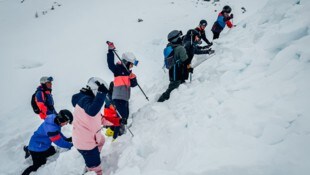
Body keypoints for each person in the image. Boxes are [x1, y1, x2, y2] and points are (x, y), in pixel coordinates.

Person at [72, 77, 109, 175]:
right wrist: (101, 94)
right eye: (100, 93)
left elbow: (100, 118)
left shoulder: (90, 101)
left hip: (89, 138)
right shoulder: (85, 100)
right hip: (85, 143)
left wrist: (118, 121)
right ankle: (93, 168)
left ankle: (92, 160)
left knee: (102, 140)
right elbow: (92, 111)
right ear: (96, 90)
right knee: (97, 169)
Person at [22, 110, 73, 175]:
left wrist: (66, 139)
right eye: (66, 122)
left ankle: (29, 149)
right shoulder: (51, 129)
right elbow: (59, 142)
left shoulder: (54, 119)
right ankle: (29, 152)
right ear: (62, 120)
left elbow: (58, 133)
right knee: (39, 165)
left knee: (53, 151)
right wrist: (71, 145)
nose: (66, 124)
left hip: (42, 143)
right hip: (37, 148)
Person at [107, 42, 138, 140]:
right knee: (121, 118)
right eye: (131, 64)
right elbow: (110, 64)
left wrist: (133, 79)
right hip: (118, 98)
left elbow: (134, 85)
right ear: (127, 62)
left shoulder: (129, 73)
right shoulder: (118, 69)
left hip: (125, 98)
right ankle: (116, 137)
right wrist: (110, 51)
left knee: (125, 117)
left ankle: (121, 135)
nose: (132, 67)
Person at [158, 30, 188, 102]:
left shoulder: (169, 46)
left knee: (173, 85)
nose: (180, 38)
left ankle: (169, 100)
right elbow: (185, 60)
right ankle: (161, 101)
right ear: (176, 38)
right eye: (179, 37)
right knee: (172, 88)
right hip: (177, 72)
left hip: (172, 70)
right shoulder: (180, 48)